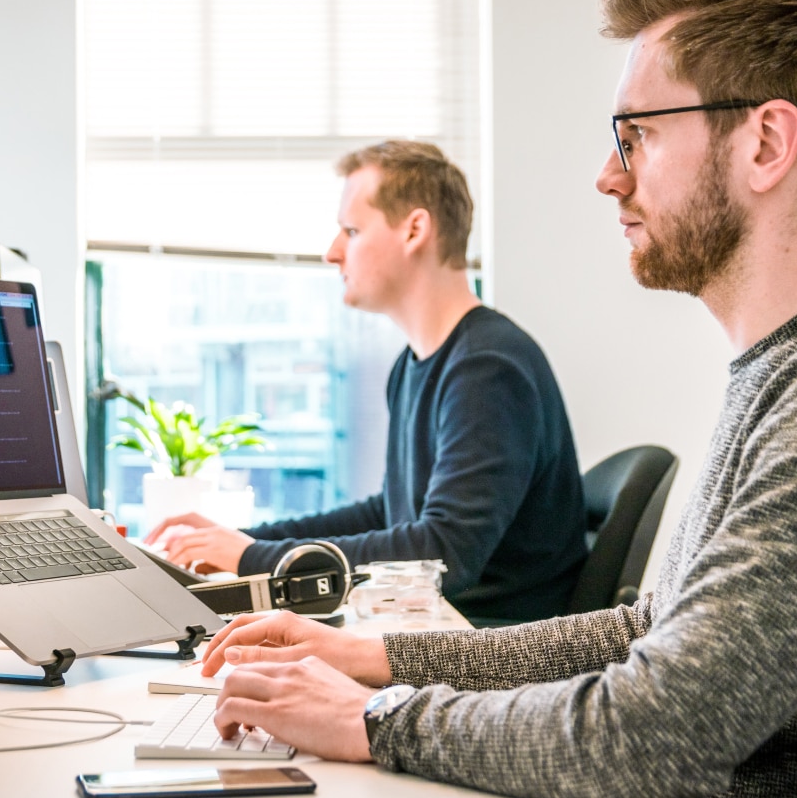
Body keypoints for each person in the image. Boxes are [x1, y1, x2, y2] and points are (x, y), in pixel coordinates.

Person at [193, 0, 797, 798]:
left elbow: (648, 739)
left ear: (766, 142)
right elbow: (647, 632)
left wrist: (374, 718)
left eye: (637, 135)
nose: (607, 175)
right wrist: (378, 659)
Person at [147, 140, 589, 625]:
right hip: (436, 626)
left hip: (488, 646)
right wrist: (247, 541)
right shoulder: (417, 363)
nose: (332, 252)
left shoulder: (488, 369)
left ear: (414, 230)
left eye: (352, 230)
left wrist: (253, 559)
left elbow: (444, 555)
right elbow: (391, 513)